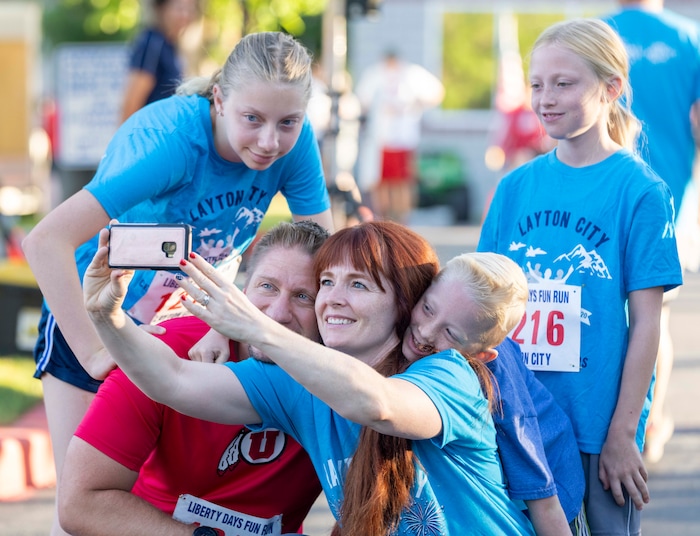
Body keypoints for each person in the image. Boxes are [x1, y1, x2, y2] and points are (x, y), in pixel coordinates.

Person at [22, 31, 333, 536]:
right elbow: (45, 242)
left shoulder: (293, 149)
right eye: (252, 119)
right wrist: (97, 350)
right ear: (219, 99)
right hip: (94, 312)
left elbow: (325, 257)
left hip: (182, 320)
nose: (269, 141)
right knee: (84, 504)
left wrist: (223, 324)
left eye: (288, 123)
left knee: (162, 501)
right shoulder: (171, 144)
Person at [82, 221, 536, 535]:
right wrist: (108, 316)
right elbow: (172, 381)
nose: (333, 300)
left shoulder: (446, 372)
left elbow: (376, 404)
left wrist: (259, 327)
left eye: (358, 285)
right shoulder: (297, 381)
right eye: (326, 283)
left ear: (403, 303)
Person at [478, 18, 683, 535]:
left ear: (611, 88)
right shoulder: (515, 188)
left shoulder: (640, 191)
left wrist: (623, 434)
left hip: (596, 429)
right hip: (518, 421)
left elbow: (647, 327)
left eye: (564, 83)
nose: (546, 98)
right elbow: (480, 305)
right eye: (537, 84)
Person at [57, 221, 327, 536]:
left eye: (304, 296)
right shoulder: (161, 352)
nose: (278, 313)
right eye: (267, 286)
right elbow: (80, 503)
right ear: (241, 292)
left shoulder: (344, 379)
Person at [402, 252, 587, 536]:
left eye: (450, 334)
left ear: (481, 355)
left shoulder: (503, 390)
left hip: (554, 490)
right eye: (428, 308)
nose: (426, 333)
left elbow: (543, 498)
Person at [604, 0, 700, 464]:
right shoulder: (689, 38)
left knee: (604, 306)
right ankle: (650, 423)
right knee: (653, 310)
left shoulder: (590, 32)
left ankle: (625, 421)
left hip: (602, 192)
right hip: (669, 198)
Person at [355, 50, 445, 224]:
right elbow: (362, 100)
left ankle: (402, 220)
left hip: (404, 139)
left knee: (402, 182)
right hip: (381, 139)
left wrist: (416, 105)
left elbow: (436, 93)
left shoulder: (411, 74)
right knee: (381, 182)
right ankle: (382, 219)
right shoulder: (375, 74)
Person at [120, 0, 199, 122]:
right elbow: (131, 103)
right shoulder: (152, 43)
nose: (185, 15)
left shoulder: (170, 45)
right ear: (161, 9)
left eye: (190, 9)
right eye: (179, 9)